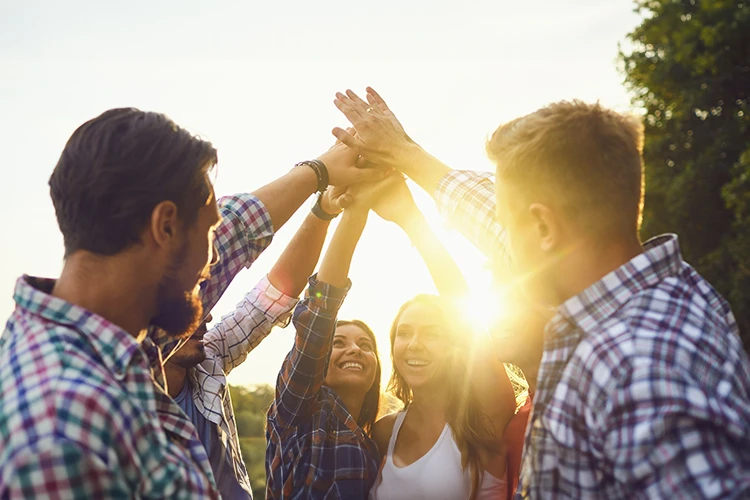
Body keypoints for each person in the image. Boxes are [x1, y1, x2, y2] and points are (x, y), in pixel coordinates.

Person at [332, 89, 750, 498]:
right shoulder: (674, 289)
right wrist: (407, 154)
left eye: (511, 226)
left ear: (544, 228)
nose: (502, 245)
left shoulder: (637, 365)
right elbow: (491, 218)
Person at [0, 108, 382, 498]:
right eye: (207, 234)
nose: (213, 260)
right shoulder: (62, 435)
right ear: (164, 226)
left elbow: (241, 239)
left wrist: (319, 176)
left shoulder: (110, 337)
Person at [164, 185, 355, 499]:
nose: (207, 318)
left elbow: (271, 298)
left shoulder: (208, 363)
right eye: (191, 309)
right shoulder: (119, 400)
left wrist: (323, 212)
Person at [365, 176, 518, 500]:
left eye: (432, 334)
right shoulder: (383, 432)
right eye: (404, 333)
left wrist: (410, 218)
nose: (415, 343)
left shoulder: (483, 420)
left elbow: (459, 303)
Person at [265, 178, 391, 499]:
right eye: (339, 342)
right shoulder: (300, 411)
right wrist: (355, 212)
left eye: (366, 345)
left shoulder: (373, 443)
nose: (355, 349)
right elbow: (319, 314)